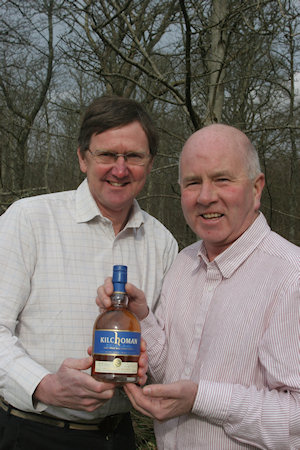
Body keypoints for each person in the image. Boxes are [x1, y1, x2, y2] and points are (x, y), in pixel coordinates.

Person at [98, 123, 300, 449]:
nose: (206, 197)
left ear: (256, 188)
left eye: (222, 179)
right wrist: (141, 318)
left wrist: (200, 398)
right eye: (193, 183)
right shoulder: (184, 263)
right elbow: (168, 374)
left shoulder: (291, 277)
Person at [0, 96, 178, 449]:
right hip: (35, 433)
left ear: (150, 163)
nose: (120, 168)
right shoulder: (30, 220)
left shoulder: (163, 244)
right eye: (108, 155)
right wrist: (44, 385)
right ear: (83, 157)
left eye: (134, 156)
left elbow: (170, 353)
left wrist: (149, 369)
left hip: (119, 435)